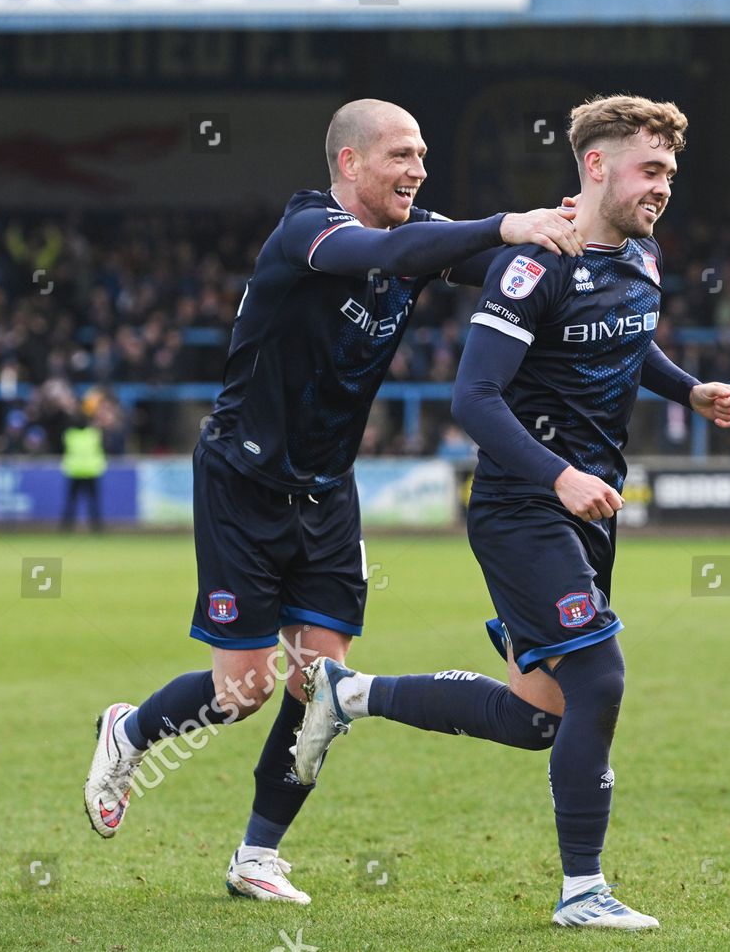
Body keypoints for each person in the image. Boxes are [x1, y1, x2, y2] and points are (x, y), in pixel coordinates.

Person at [80, 99, 582, 905]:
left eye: (423, 154)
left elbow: (487, 263)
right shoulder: (308, 231)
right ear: (350, 163)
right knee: (241, 690)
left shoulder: (415, 237)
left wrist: (576, 235)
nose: (418, 169)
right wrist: (503, 223)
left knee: (323, 688)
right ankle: (129, 731)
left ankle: (257, 854)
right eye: (400, 155)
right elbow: (409, 247)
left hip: (326, 492)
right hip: (243, 482)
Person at [291, 96, 730, 931]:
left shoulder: (642, 255)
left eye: (671, 173)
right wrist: (560, 473)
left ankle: (348, 695)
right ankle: (582, 890)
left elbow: (631, 339)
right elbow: (475, 396)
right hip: (523, 504)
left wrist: (690, 388)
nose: (664, 187)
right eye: (651, 170)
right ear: (596, 167)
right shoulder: (534, 265)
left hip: (585, 510)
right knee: (600, 677)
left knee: (539, 716)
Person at [59, 402, 108, 533]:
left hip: (75, 472)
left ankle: (66, 528)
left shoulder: (69, 435)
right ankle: (97, 528)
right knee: (93, 502)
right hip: (91, 472)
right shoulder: (94, 434)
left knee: (71, 502)